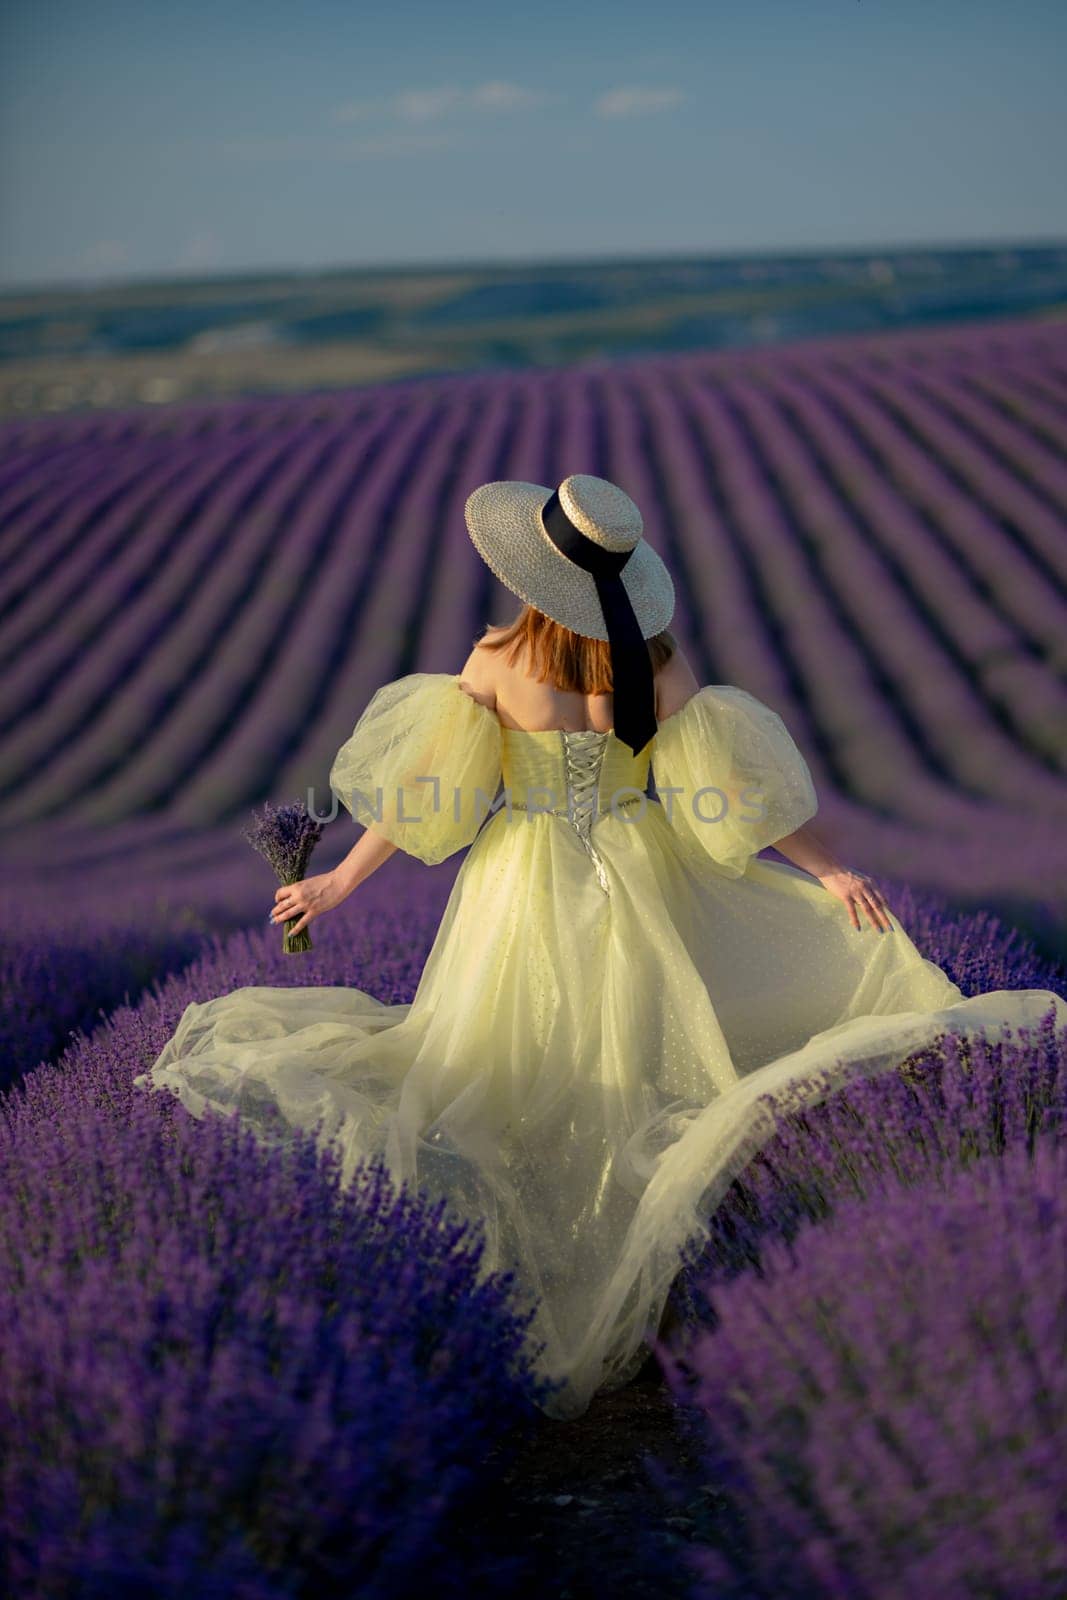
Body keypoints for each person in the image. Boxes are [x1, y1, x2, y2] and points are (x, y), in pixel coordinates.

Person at [134, 473, 1066, 1422]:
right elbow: (729, 801)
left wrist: (337, 883)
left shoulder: (494, 659)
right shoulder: (655, 665)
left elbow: (428, 800)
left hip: (522, 879)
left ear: (533, 574)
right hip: (639, 867)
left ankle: (537, 1269)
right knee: (649, 1052)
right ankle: (666, 1284)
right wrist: (826, 873)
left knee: (517, 1068)